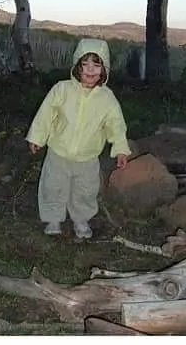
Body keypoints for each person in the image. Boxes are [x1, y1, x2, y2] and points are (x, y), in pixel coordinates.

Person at [26, 38, 131, 239]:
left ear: (104, 69)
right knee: (53, 186)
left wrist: (120, 149)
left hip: (87, 156)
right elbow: (45, 114)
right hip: (59, 151)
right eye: (85, 64)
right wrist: (37, 137)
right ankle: (53, 218)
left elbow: (116, 124)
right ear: (77, 67)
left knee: (85, 190)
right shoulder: (62, 89)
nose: (90, 70)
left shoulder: (107, 98)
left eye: (96, 65)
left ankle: (81, 219)